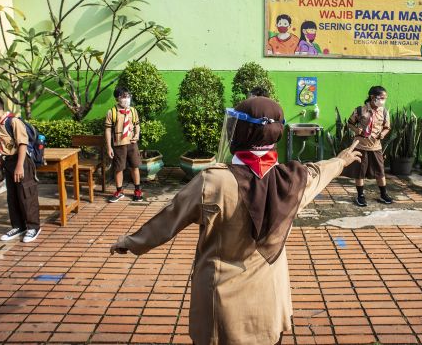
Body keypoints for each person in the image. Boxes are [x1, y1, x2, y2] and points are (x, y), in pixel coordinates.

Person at [110, 97, 361, 345]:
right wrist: (340, 161)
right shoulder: (293, 180)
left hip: (221, 303)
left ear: (245, 131)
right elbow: (319, 171)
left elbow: (168, 220)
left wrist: (130, 242)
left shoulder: (214, 181)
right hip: (269, 301)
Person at [0, 94, 41, 243]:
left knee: (27, 194)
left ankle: (33, 227)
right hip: (8, 164)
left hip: (21, 162)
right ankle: (18, 225)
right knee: (12, 196)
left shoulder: (13, 122)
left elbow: (22, 145)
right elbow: (0, 150)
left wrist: (20, 167)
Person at [341, 86, 392, 206]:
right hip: (361, 146)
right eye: (381, 98)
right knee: (360, 172)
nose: (383, 100)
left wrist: (383, 134)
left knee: (380, 171)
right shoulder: (360, 110)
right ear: (372, 97)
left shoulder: (384, 111)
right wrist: (357, 130)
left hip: (376, 147)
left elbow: (387, 127)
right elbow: (350, 123)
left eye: (385, 98)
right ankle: (360, 196)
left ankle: (383, 194)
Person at [105, 86, 143, 202]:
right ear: (117, 98)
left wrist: (137, 135)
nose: (126, 98)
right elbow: (107, 130)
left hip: (131, 143)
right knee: (118, 168)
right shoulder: (112, 112)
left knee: (135, 166)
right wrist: (109, 147)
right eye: (123, 96)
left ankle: (137, 190)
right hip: (119, 144)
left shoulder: (133, 110)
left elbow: (136, 124)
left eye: (128, 96)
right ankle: (119, 191)